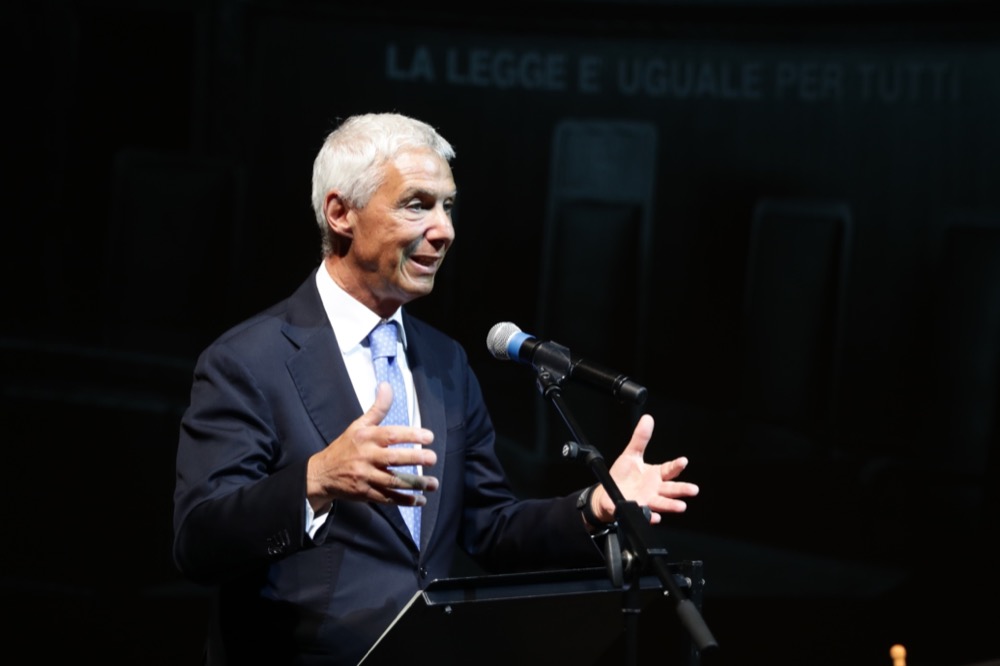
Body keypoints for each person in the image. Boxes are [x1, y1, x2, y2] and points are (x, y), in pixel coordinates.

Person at [172, 112, 699, 665]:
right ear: (340, 213)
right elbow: (198, 543)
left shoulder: (445, 362)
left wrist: (592, 506)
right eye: (416, 205)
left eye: (447, 205)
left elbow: (489, 528)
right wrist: (316, 480)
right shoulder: (248, 361)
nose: (444, 229)